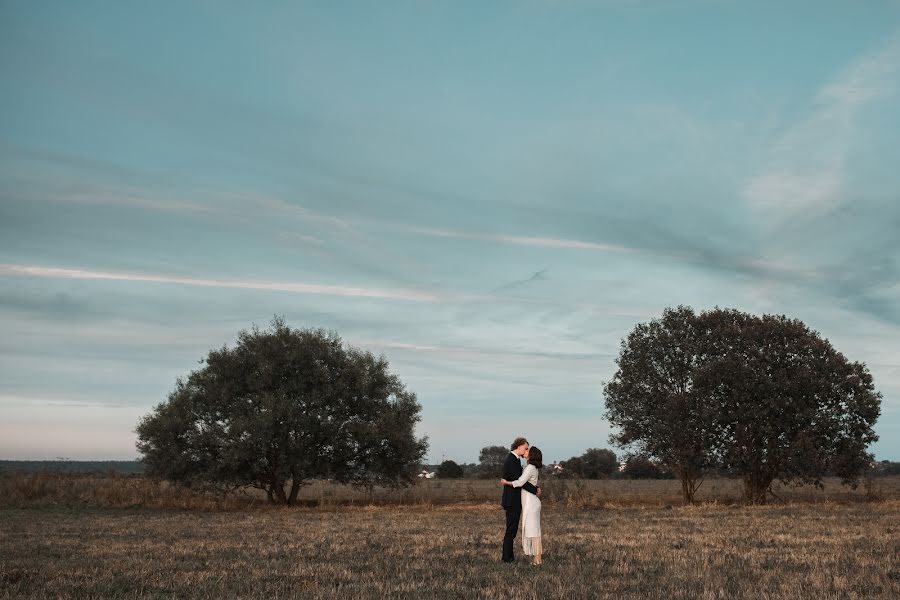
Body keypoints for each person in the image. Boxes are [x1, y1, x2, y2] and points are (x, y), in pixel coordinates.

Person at [499, 437, 539, 563]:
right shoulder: (511, 460)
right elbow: (520, 481)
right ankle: (506, 558)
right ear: (519, 446)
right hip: (512, 501)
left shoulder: (515, 460)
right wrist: (535, 490)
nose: (526, 450)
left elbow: (521, 480)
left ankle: (509, 557)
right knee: (511, 530)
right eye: (526, 448)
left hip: (515, 501)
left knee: (512, 530)